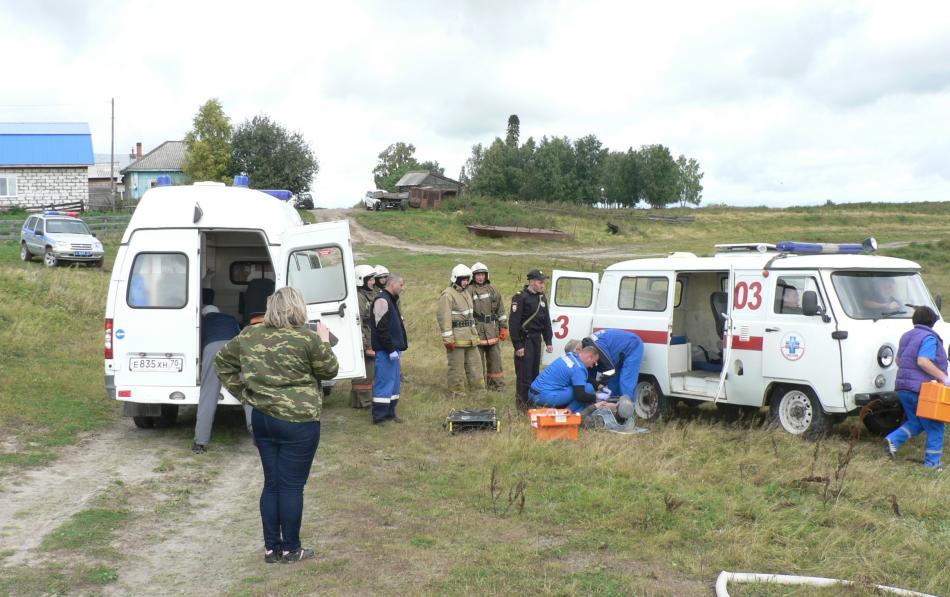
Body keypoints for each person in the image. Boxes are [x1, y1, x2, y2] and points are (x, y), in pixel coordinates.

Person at [215, 287, 339, 563]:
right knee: (292, 486)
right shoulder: (307, 339)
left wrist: (245, 394)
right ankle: (291, 549)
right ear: (298, 308)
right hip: (299, 421)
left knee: (272, 484)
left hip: (263, 418)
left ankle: (272, 548)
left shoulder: (249, 334)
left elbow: (222, 362)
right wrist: (323, 340)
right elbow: (330, 370)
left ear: (271, 308)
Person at [884, 306, 948, 471]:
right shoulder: (929, 338)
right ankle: (932, 464)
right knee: (936, 425)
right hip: (921, 389)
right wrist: (943, 377)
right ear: (933, 321)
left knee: (917, 422)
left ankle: (893, 440)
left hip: (903, 388)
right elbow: (923, 361)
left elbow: (899, 361)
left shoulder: (906, 336)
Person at [193, 303, 242, 454]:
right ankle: (257, 436)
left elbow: (197, 344)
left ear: (204, 314)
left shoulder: (202, 322)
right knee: (246, 390)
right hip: (235, 347)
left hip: (212, 349)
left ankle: (200, 443)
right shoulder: (230, 318)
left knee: (208, 395)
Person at [509, 269, 554, 412]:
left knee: (535, 373)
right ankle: (522, 406)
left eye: (543, 283)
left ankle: (532, 402)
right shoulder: (520, 298)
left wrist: (548, 341)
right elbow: (514, 323)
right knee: (524, 374)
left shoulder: (542, 298)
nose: (543, 285)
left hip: (536, 340)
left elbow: (546, 321)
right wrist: (518, 346)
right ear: (532, 282)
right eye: (540, 282)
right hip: (525, 340)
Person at [438, 264, 483, 397]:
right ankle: (457, 392)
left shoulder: (466, 292)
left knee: (476, 365)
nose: (465, 282)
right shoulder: (447, 295)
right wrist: (448, 339)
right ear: (455, 279)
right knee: (456, 367)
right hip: (456, 338)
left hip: (470, 336)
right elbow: (444, 318)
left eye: (467, 279)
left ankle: (479, 390)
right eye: (463, 279)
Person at [371, 274, 408, 424]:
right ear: (392, 285)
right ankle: (379, 417)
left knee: (394, 384)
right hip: (386, 351)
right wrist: (390, 349)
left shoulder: (391, 300)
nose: (402, 288)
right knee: (384, 383)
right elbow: (381, 329)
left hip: (393, 351)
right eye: (401, 285)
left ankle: (390, 413)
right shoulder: (382, 300)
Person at [528, 343, 605, 413]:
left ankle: (563, 409)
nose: (592, 366)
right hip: (545, 397)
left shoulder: (570, 355)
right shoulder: (579, 368)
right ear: (589, 358)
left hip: (532, 392)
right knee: (588, 388)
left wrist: (599, 386)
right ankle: (566, 414)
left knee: (578, 387)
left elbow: (584, 378)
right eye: (594, 363)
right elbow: (580, 395)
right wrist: (596, 396)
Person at [468, 262, 508, 391]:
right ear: (473, 276)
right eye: (478, 275)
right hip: (476, 331)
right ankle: (479, 387)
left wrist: (503, 327)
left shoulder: (493, 290)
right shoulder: (469, 291)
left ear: (486, 275)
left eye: (482, 275)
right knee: (477, 363)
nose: (480, 277)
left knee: (495, 362)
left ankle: (497, 386)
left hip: (492, 331)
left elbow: (500, 311)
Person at [585, 328, 644, 406]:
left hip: (632, 346)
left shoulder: (598, 347)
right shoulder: (589, 348)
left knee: (626, 384)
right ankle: (615, 412)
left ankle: (628, 413)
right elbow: (593, 372)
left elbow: (610, 369)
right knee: (613, 385)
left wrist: (600, 385)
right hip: (616, 353)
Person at [350, 265, 378, 409]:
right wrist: (365, 345)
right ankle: (362, 402)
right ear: (362, 280)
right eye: (371, 279)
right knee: (365, 372)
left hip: (371, 336)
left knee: (371, 371)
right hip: (365, 338)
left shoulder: (370, 295)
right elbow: (358, 323)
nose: (374, 282)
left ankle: (366, 400)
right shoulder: (359, 298)